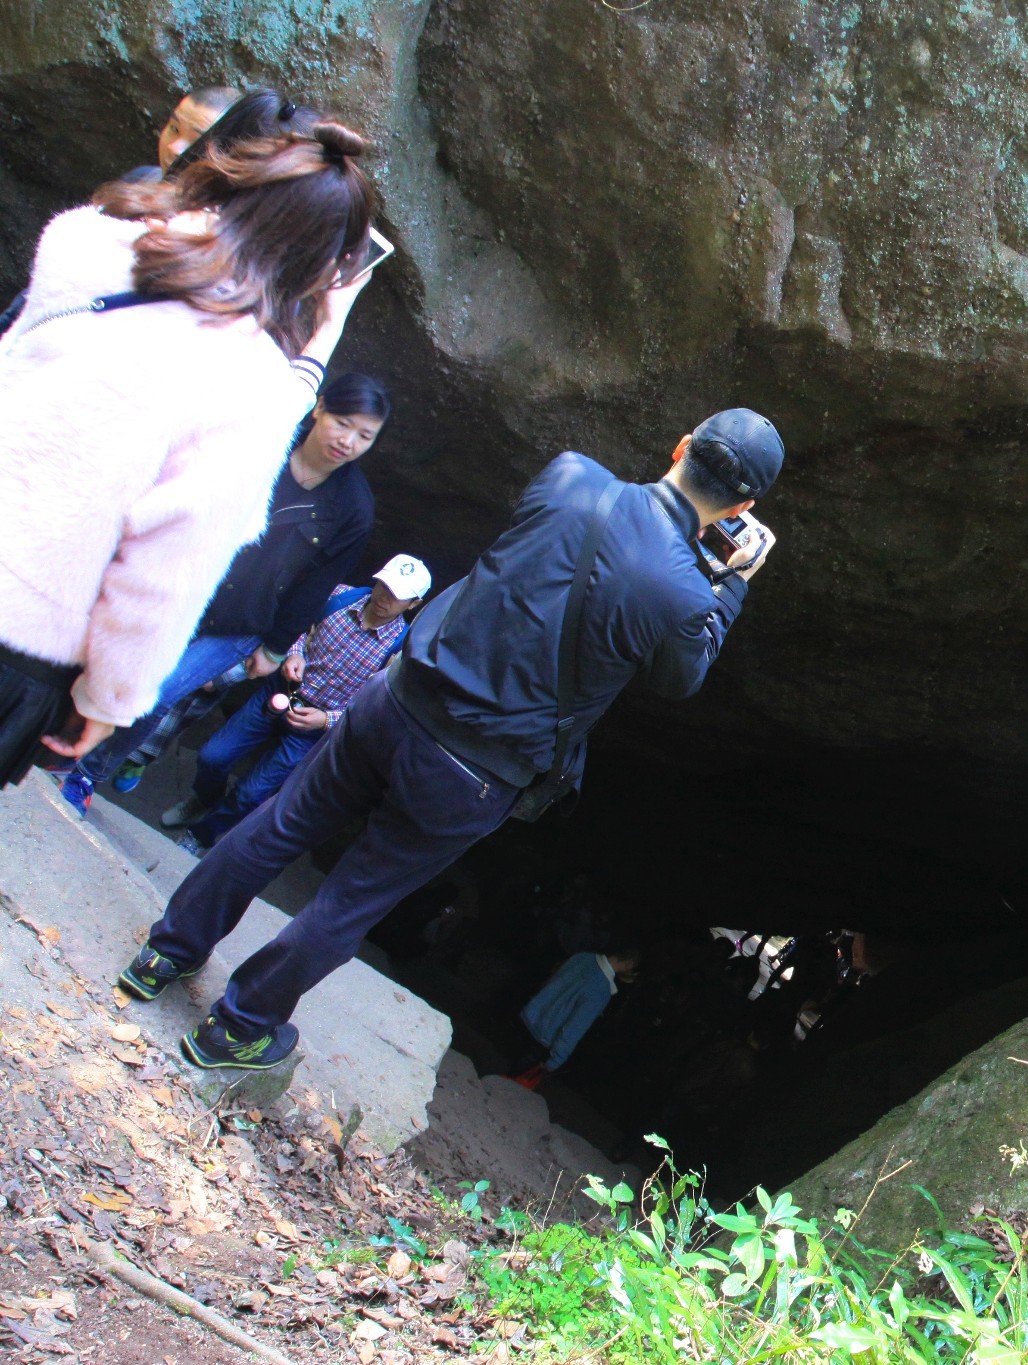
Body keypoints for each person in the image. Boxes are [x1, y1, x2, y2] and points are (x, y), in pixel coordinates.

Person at [120, 409, 786, 1071]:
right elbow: (681, 676)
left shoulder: (569, 477)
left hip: (398, 699)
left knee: (279, 825)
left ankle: (164, 953)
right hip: (471, 772)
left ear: (682, 444)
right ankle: (235, 1027)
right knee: (351, 899)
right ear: (745, 505)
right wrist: (728, 588)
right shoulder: (685, 596)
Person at [0, 113, 381, 793]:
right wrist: (107, 701)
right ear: (327, 269)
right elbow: (161, 579)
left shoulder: (89, 240)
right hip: (19, 641)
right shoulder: (251, 385)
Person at [61, 373, 391, 812]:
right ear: (319, 408)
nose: (348, 441)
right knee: (114, 661)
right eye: (343, 422)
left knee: (158, 694)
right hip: (184, 584)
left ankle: (84, 774)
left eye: (364, 435)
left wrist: (274, 648)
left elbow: (314, 586)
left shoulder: (353, 508)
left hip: (242, 620)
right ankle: (58, 740)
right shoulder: (263, 441)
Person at [161, 555, 432, 852]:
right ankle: (205, 799)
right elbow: (296, 623)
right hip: (279, 692)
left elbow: (377, 706)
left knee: (252, 793)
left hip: (314, 726)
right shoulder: (340, 596)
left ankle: (202, 834)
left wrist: (327, 720)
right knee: (213, 756)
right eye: (385, 586)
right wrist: (293, 653)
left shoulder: (399, 650)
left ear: (413, 604)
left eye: (397, 595)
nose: (385, 597)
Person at [0, 85, 243, 336]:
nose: (174, 147)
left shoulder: (218, 231)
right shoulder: (142, 180)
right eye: (174, 128)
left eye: (195, 140)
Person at [512, 949, 642, 1086]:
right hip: (545, 1037)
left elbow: (553, 980)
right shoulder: (601, 989)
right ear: (630, 964)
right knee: (511, 1087)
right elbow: (575, 1027)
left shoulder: (582, 957)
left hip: (530, 1016)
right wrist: (556, 1059)